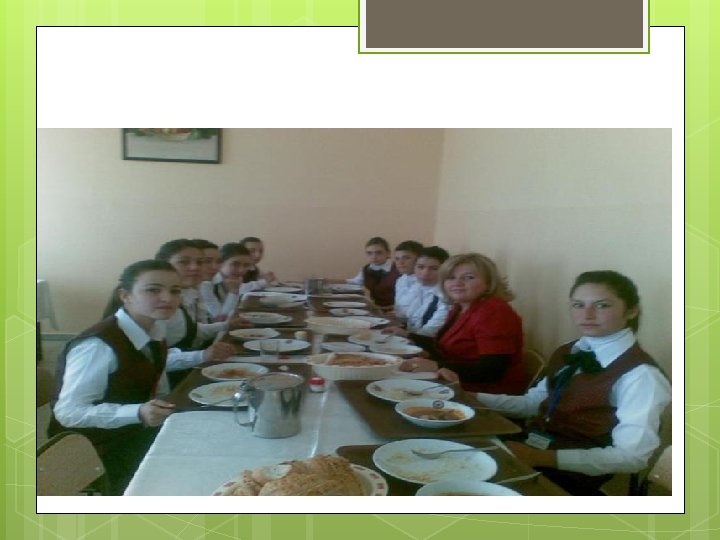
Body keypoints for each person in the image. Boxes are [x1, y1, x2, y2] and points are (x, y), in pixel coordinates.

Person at [468, 270, 672, 495]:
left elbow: (631, 457)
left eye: (602, 305)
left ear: (632, 311)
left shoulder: (642, 375)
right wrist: (469, 397)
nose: (587, 315)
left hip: (572, 475)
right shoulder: (570, 350)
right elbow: (533, 403)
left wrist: (539, 457)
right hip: (531, 446)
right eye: (578, 305)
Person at [48, 260, 201, 494]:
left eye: (175, 291)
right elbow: (69, 412)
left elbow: (153, 381)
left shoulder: (154, 329)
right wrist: (138, 412)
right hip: (97, 446)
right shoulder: (97, 345)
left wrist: (161, 405)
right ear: (125, 296)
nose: (168, 298)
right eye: (153, 290)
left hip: (134, 432)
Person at [399, 253, 526, 395]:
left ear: (489, 282)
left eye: (469, 277)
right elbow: (446, 349)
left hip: (485, 393)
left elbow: (492, 370)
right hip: (454, 381)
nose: (457, 283)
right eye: (451, 277)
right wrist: (410, 337)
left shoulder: (494, 311)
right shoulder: (460, 307)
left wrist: (435, 365)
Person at [384, 246, 451, 338]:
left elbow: (429, 334)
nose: (425, 273)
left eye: (434, 268)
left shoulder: (445, 297)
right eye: (420, 267)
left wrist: (405, 333)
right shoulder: (418, 287)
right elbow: (409, 319)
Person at [199, 242, 256, 320]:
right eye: (235, 264)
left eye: (246, 265)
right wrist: (233, 292)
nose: (241, 270)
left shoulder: (231, 280)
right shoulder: (206, 283)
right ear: (222, 263)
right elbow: (222, 318)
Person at [346, 236, 400, 308]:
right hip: (375, 308)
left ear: (388, 253)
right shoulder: (366, 269)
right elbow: (354, 282)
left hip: (394, 310)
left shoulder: (398, 269)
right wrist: (331, 281)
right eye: (369, 253)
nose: (374, 257)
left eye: (379, 253)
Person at [390, 240, 424, 320]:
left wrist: (398, 316)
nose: (400, 262)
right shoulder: (400, 279)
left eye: (406, 258)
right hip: (398, 321)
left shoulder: (426, 283)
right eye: (397, 259)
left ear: (419, 259)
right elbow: (400, 306)